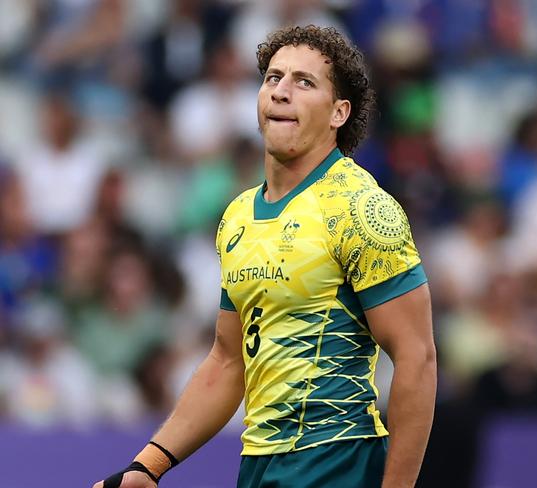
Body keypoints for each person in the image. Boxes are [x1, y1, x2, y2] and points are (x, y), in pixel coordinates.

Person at [94, 25, 437, 488]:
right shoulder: (237, 217)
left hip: (337, 460)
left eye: (304, 82)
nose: (280, 92)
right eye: (273, 77)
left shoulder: (362, 207)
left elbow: (417, 358)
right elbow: (227, 360)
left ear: (339, 113)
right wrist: (147, 467)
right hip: (258, 467)